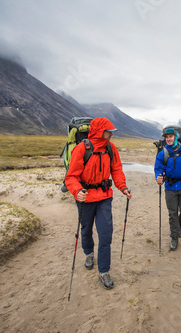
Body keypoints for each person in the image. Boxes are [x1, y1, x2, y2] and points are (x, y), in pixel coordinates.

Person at [65, 117, 132, 289]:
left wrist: (123, 188)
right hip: (85, 198)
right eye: (108, 131)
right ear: (99, 131)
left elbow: (116, 170)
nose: (111, 134)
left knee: (106, 234)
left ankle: (104, 270)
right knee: (86, 230)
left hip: (104, 198)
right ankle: (88, 253)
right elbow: (71, 177)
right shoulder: (81, 149)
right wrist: (77, 191)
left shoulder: (111, 148)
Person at [154, 128, 181, 251]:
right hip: (170, 187)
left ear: (176, 137)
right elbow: (158, 168)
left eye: (170, 137)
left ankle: (178, 227)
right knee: (172, 214)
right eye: (166, 137)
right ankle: (174, 237)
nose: (168, 139)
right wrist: (158, 177)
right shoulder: (162, 153)